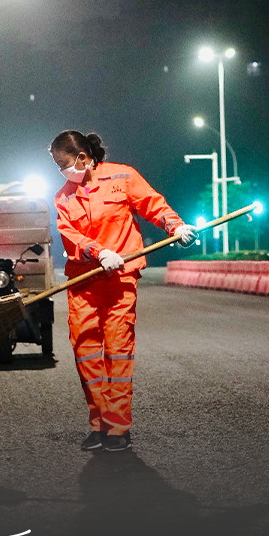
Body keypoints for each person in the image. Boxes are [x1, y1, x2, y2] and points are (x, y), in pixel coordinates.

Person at [50, 130, 196, 452]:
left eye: (64, 163)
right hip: (84, 281)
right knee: (85, 352)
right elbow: (69, 234)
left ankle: (117, 428)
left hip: (120, 280)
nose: (62, 170)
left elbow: (153, 205)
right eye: (57, 165)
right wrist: (98, 251)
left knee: (117, 352)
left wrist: (176, 226)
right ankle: (98, 424)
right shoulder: (63, 197)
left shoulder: (122, 176)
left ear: (83, 158)